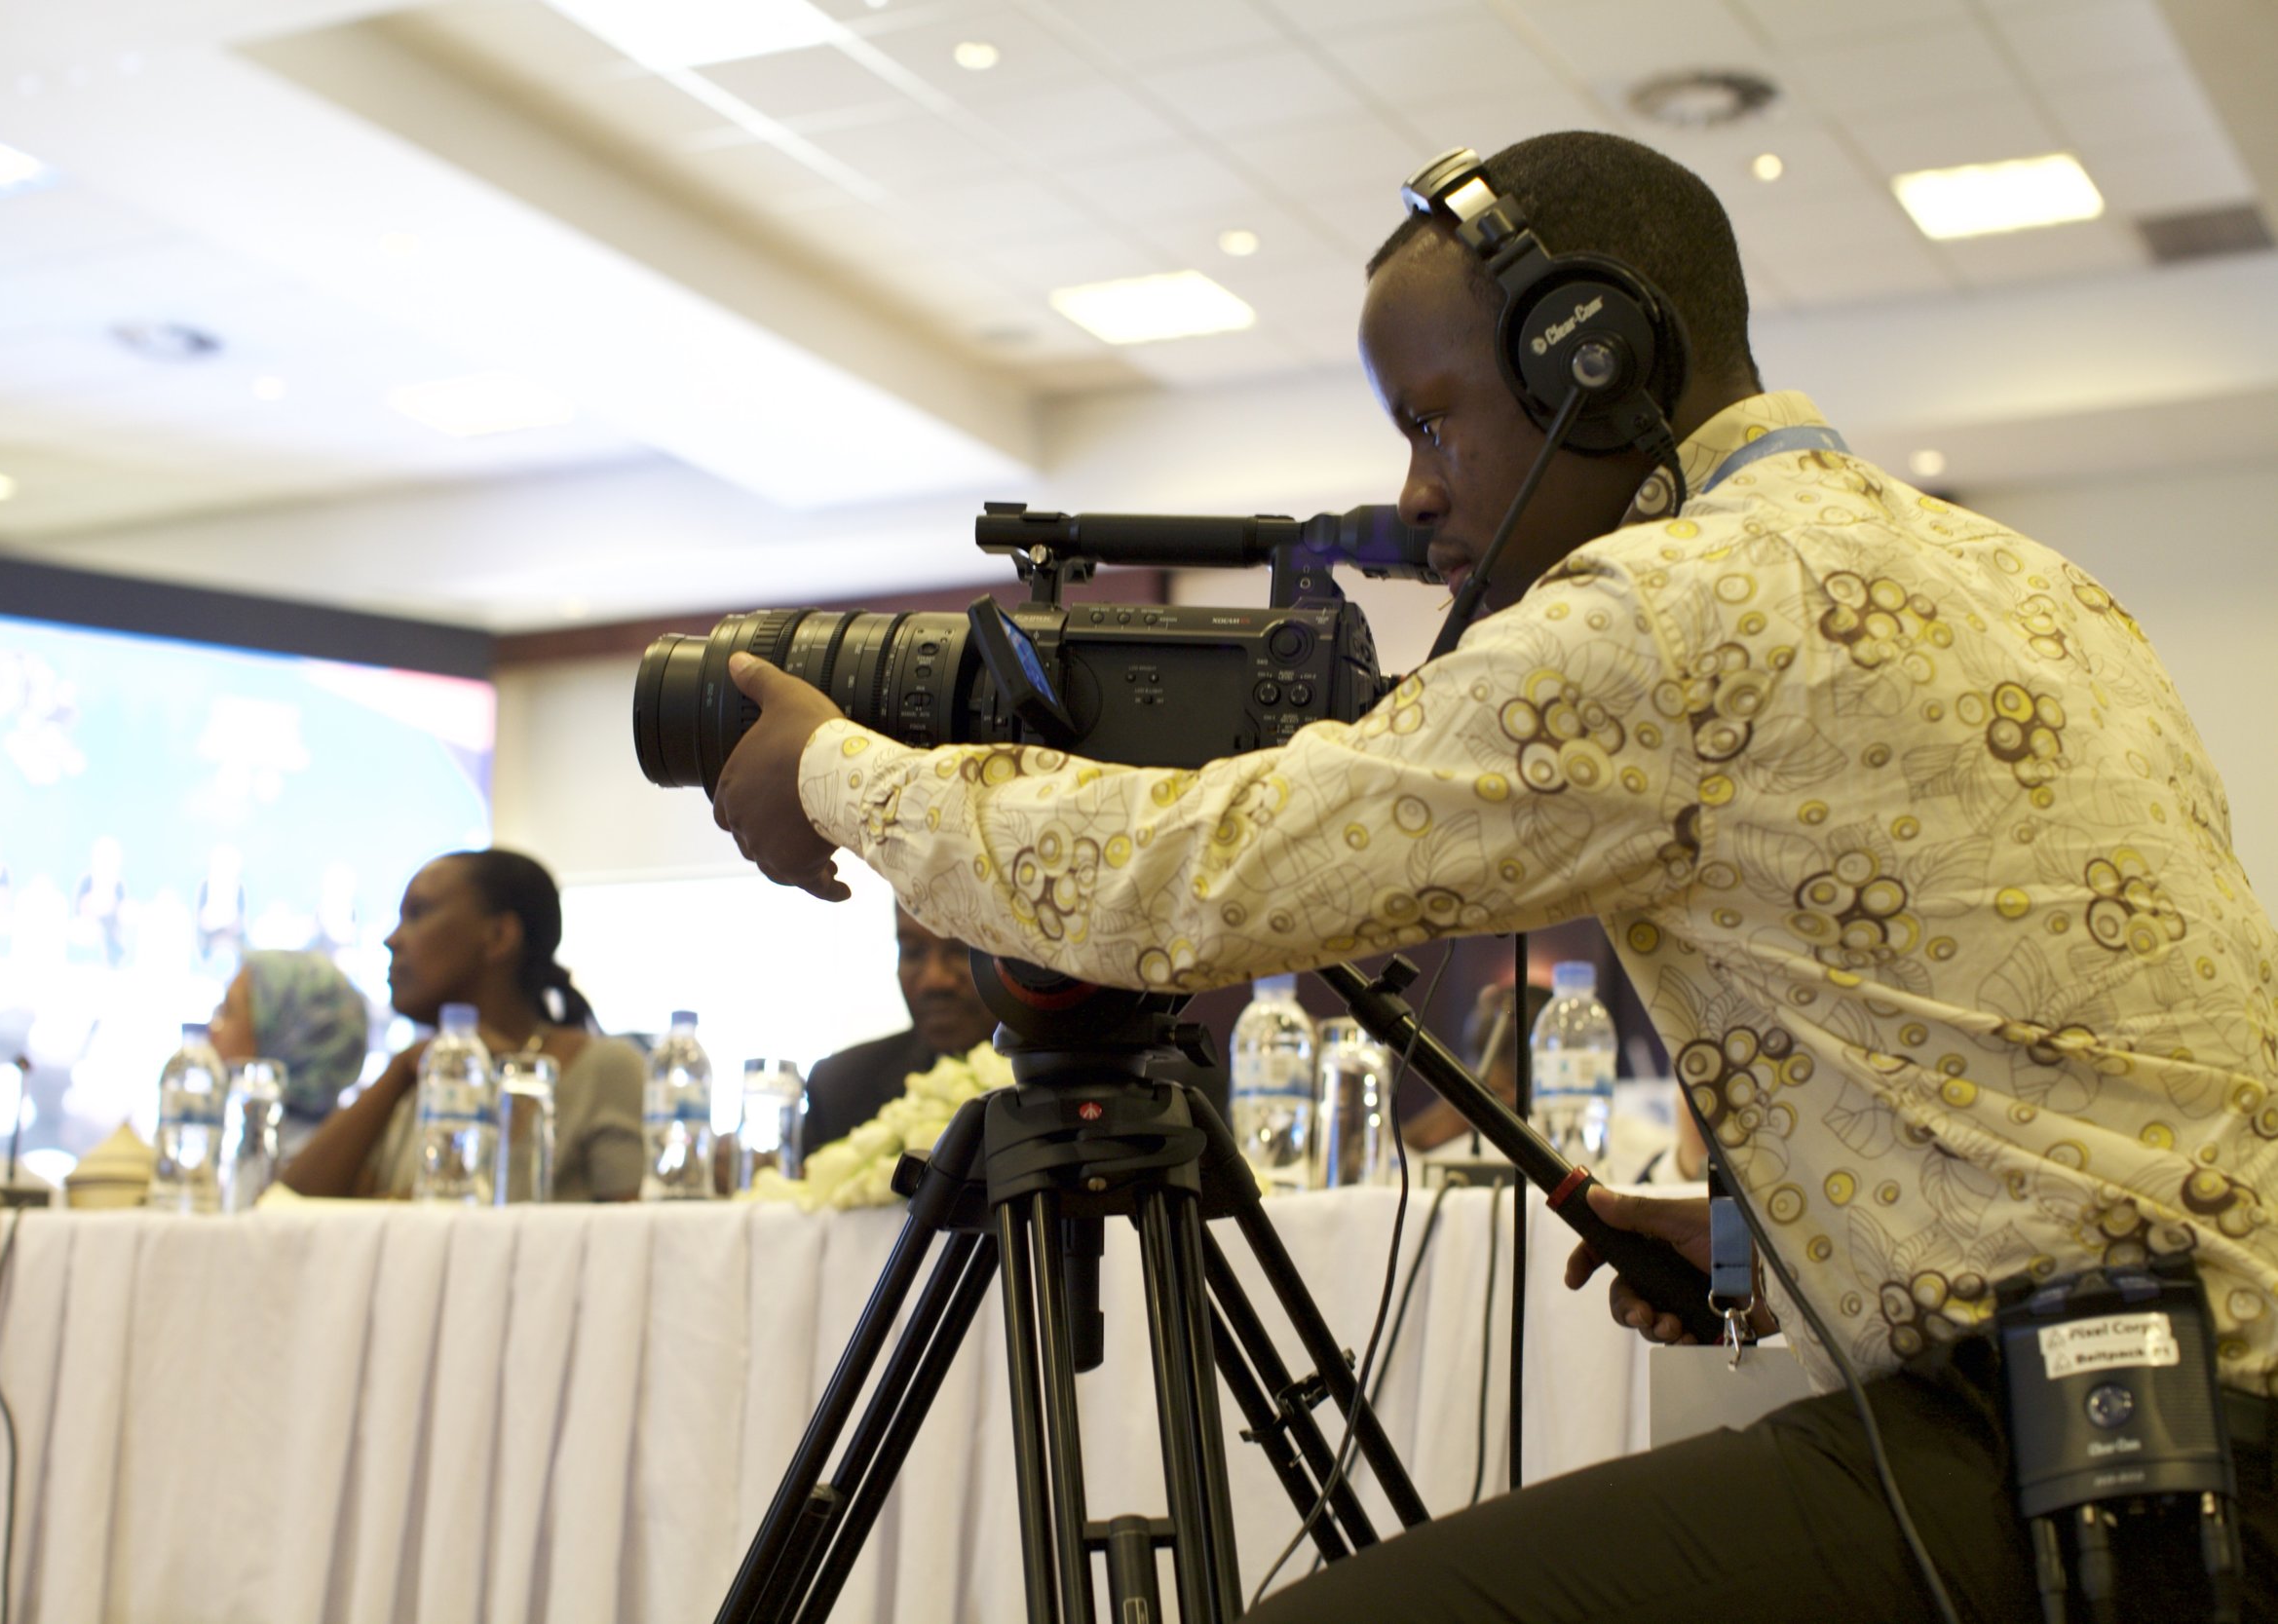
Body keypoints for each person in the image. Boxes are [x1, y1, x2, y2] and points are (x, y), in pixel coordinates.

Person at [710, 130, 2278, 1619]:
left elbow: (1196, 885)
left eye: (1433, 421)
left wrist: (836, 771)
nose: (1411, 491)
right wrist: (1756, 1233)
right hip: (2184, 1413)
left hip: (2077, 1454)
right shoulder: (2025, 575)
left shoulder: (1674, 607)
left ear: (1590, 364)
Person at [280, 848, 642, 1202]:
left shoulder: (604, 1070)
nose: (391, 940)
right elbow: (290, 1211)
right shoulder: (420, 1080)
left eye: (418, 913)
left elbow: (637, 1243)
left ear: (498, 936)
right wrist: (400, 1072)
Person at [803, 905, 999, 1151]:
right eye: (913, 952)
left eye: (962, 950)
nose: (934, 980)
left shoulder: (1059, 1083)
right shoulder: (840, 1087)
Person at [206, 949, 370, 1157]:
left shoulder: (301, 1165)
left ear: (286, 1035)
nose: (212, 1030)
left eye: (227, 1011)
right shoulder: (247, 1143)